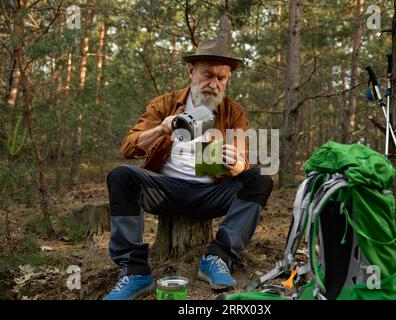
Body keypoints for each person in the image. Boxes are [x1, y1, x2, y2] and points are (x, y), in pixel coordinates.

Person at [103, 38, 273, 300]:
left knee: (259, 177)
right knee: (122, 176)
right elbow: (128, 147)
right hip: (164, 191)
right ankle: (134, 271)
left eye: (221, 78)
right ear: (191, 71)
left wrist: (235, 163)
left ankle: (218, 258)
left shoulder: (233, 112)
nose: (214, 83)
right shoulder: (164, 104)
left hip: (211, 194)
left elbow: (244, 161)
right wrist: (161, 129)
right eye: (207, 75)